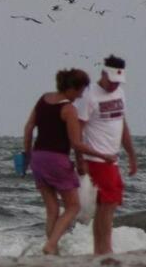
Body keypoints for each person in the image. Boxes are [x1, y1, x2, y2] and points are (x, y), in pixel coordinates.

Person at [23, 69, 118, 255]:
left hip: (38, 158)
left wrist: (27, 154)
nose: (82, 95)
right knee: (73, 206)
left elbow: (28, 127)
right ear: (72, 88)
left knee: (52, 209)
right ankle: (51, 245)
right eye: (82, 90)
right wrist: (103, 156)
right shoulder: (68, 109)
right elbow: (76, 143)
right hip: (56, 160)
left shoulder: (43, 99)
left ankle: (53, 249)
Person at [74, 55, 138, 255]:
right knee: (105, 205)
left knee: (109, 206)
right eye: (111, 81)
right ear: (103, 74)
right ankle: (102, 250)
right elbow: (77, 130)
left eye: (118, 82)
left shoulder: (120, 92)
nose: (114, 86)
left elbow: (122, 124)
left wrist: (131, 154)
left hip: (112, 160)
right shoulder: (89, 95)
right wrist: (79, 161)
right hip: (96, 159)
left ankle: (102, 249)